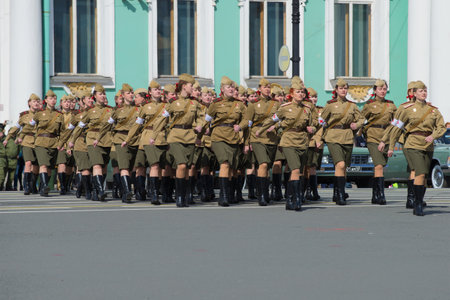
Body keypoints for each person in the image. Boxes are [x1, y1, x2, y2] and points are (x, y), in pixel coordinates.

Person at [256, 80, 317, 211]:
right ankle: (296, 199)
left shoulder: (307, 109)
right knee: (295, 169)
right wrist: (260, 131)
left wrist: (312, 128)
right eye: (297, 92)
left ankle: (289, 199)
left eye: (302, 92)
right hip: (288, 141)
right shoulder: (284, 108)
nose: (300, 94)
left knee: (298, 171)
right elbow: (271, 120)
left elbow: (314, 124)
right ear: (292, 93)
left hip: (302, 141)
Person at [388, 81, 445, 216]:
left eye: (425, 90)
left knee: (424, 175)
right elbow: (396, 128)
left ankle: (419, 199)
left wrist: (434, 136)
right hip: (413, 144)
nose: (423, 93)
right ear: (414, 94)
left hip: (428, 145)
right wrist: (391, 146)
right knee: (419, 172)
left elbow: (441, 127)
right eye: (420, 91)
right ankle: (417, 204)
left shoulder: (433, 110)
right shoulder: (407, 109)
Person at [316, 79, 364, 205]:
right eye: (341, 88)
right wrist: (318, 138)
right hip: (333, 137)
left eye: (345, 88)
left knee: (343, 167)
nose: (343, 90)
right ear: (336, 90)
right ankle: (341, 194)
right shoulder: (330, 105)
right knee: (340, 164)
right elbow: (321, 122)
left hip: (347, 137)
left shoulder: (352, 105)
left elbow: (362, 119)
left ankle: (337, 192)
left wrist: (356, 125)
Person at [203, 76, 247, 207]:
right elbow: (207, 120)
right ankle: (223, 196)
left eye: (233, 87)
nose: (231, 89)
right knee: (225, 163)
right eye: (229, 87)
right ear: (222, 89)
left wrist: (240, 126)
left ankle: (231, 193)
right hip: (219, 137)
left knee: (233, 168)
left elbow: (246, 120)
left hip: (233, 137)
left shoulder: (240, 105)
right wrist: (200, 135)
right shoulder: (215, 104)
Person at [163, 74, 204, 207]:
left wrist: (200, 125)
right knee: (181, 165)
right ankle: (179, 197)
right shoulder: (172, 103)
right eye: (191, 85)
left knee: (186, 167)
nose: (193, 88)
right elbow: (162, 119)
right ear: (184, 86)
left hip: (190, 136)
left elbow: (201, 118)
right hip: (175, 136)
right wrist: (158, 136)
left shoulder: (195, 103)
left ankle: (185, 195)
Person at [124, 81, 168, 205]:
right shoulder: (145, 108)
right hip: (148, 138)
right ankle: (151, 193)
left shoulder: (166, 106)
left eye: (159, 89)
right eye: (155, 89)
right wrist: (128, 139)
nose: (158, 91)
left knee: (159, 167)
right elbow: (137, 124)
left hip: (162, 138)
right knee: (149, 165)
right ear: (150, 92)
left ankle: (154, 190)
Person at [379, 81, 420, 208]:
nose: (417, 93)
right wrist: (385, 141)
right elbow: (395, 127)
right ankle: (412, 198)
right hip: (408, 141)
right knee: (415, 168)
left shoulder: (427, 108)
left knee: (421, 170)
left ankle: (418, 197)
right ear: (409, 93)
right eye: (414, 90)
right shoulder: (404, 108)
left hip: (423, 143)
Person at [70, 84, 112, 201]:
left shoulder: (111, 110)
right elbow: (79, 127)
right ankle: (100, 191)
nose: (103, 96)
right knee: (96, 165)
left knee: (103, 166)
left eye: (104, 94)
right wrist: (72, 141)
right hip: (92, 140)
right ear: (95, 96)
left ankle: (95, 191)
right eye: (100, 94)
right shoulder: (90, 112)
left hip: (107, 140)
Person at [360, 79, 397, 205]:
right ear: (375, 90)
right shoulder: (369, 105)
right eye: (380, 89)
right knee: (379, 165)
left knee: (381, 165)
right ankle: (381, 194)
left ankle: (375, 194)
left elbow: (395, 122)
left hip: (386, 137)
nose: (382, 91)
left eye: (384, 89)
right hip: (373, 137)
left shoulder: (391, 105)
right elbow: (361, 120)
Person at [245, 78, 281, 206]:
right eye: (264, 87)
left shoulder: (275, 104)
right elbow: (248, 124)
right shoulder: (253, 104)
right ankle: (261, 195)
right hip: (257, 136)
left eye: (268, 86)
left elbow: (280, 119)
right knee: (263, 164)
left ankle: (265, 193)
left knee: (267, 167)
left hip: (271, 138)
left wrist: (275, 127)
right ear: (259, 89)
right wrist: (247, 142)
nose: (267, 89)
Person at [59, 90, 94, 200]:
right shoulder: (76, 115)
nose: (91, 100)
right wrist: (65, 145)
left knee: (90, 168)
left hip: (92, 142)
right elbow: (70, 131)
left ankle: (80, 188)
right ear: (82, 100)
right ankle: (86, 191)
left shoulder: (95, 112)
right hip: (79, 142)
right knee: (83, 167)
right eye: (88, 98)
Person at [4, 93, 41, 195]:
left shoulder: (42, 114)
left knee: (36, 165)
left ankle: (33, 184)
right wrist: (7, 138)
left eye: (38, 101)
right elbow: (16, 127)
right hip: (27, 141)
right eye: (34, 101)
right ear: (29, 103)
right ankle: (27, 186)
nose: (36, 103)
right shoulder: (24, 115)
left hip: (39, 141)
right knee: (28, 163)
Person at [31, 90, 65, 196]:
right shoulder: (39, 114)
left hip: (54, 142)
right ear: (46, 100)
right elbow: (31, 127)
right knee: (44, 164)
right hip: (41, 142)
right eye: (51, 98)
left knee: (50, 167)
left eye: (54, 98)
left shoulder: (59, 115)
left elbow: (62, 131)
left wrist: (61, 143)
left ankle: (42, 186)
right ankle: (45, 186)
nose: (53, 100)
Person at [304, 87, 323, 201]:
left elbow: (322, 126)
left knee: (313, 166)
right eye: (311, 96)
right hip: (305, 141)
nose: (313, 99)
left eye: (315, 97)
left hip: (317, 141)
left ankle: (313, 190)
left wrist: (318, 139)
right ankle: (306, 190)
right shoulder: (305, 109)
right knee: (305, 167)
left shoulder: (321, 110)